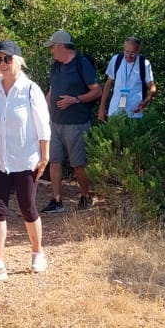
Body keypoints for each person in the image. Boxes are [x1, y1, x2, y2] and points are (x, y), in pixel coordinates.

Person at [0, 40, 51, 284]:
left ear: (18, 61)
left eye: (7, 59)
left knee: (28, 207)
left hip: (25, 159)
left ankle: (37, 252)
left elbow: (42, 126)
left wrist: (44, 156)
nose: (2, 64)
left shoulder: (30, 89)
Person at [42, 30, 101, 212]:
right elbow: (51, 92)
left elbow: (96, 91)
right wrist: (43, 113)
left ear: (61, 46)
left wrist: (74, 100)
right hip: (55, 123)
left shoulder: (81, 64)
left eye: (52, 47)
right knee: (55, 161)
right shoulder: (55, 67)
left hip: (76, 123)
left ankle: (85, 196)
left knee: (78, 163)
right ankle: (56, 200)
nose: (51, 50)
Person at [98, 37, 156, 121]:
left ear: (138, 51)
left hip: (135, 113)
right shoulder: (116, 59)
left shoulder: (144, 63)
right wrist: (102, 107)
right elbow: (108, 84)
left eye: (132, 53)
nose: (128, 56)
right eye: (126, 52)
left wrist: (146, 101)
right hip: (115, 111)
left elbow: (152, 86)